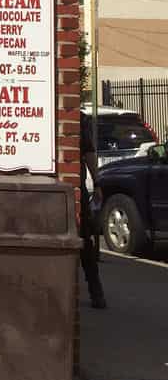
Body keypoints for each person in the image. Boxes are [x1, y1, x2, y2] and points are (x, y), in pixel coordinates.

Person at [79, 114, 107, 309]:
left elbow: (89, 153)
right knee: (84, 239)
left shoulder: (77, 119)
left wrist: (97, 183)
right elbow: (89, 153)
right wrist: (96, 183)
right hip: (75, 185)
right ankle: (96, 291)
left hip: (75, 186)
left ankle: (96, 290)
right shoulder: (78, 119)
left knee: (84, 238)